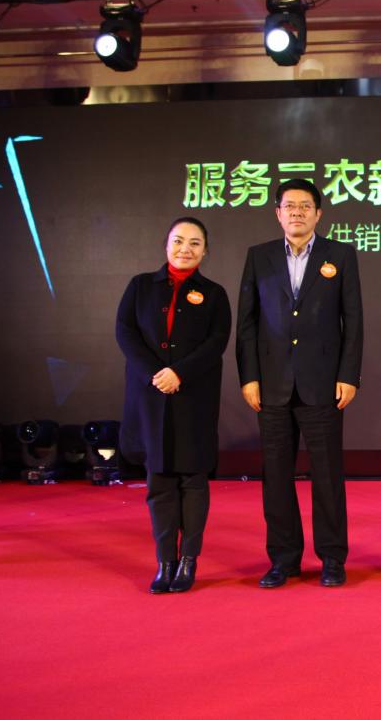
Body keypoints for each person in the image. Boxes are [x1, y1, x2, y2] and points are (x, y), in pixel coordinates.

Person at [236, 179, 363, 589]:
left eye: (305, 206)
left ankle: (332, 558)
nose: (297, 212)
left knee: (327, 476)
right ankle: (283, 559)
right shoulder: (259, 257)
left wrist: (348, 375)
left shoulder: (340, 255)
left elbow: (353, 321)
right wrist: (249, 376)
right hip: (271, 384)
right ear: (278, 213)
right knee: (276, 477)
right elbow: (247, 323)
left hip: (323, 383)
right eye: (289, 206)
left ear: (318, 213)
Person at [115, 216, 231, 594]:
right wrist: (157, 373)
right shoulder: (140, 287)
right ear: (166, 245)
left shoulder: (214, 294)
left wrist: (179, 372)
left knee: (193, 480)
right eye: (178, 241)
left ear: (205, 251)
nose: (185, 249)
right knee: (159, 480)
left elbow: (216, 343)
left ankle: (188, 560)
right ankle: (165, 561)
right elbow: (125, 334)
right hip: (151, 396)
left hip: (193, 396)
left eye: (195, 243)